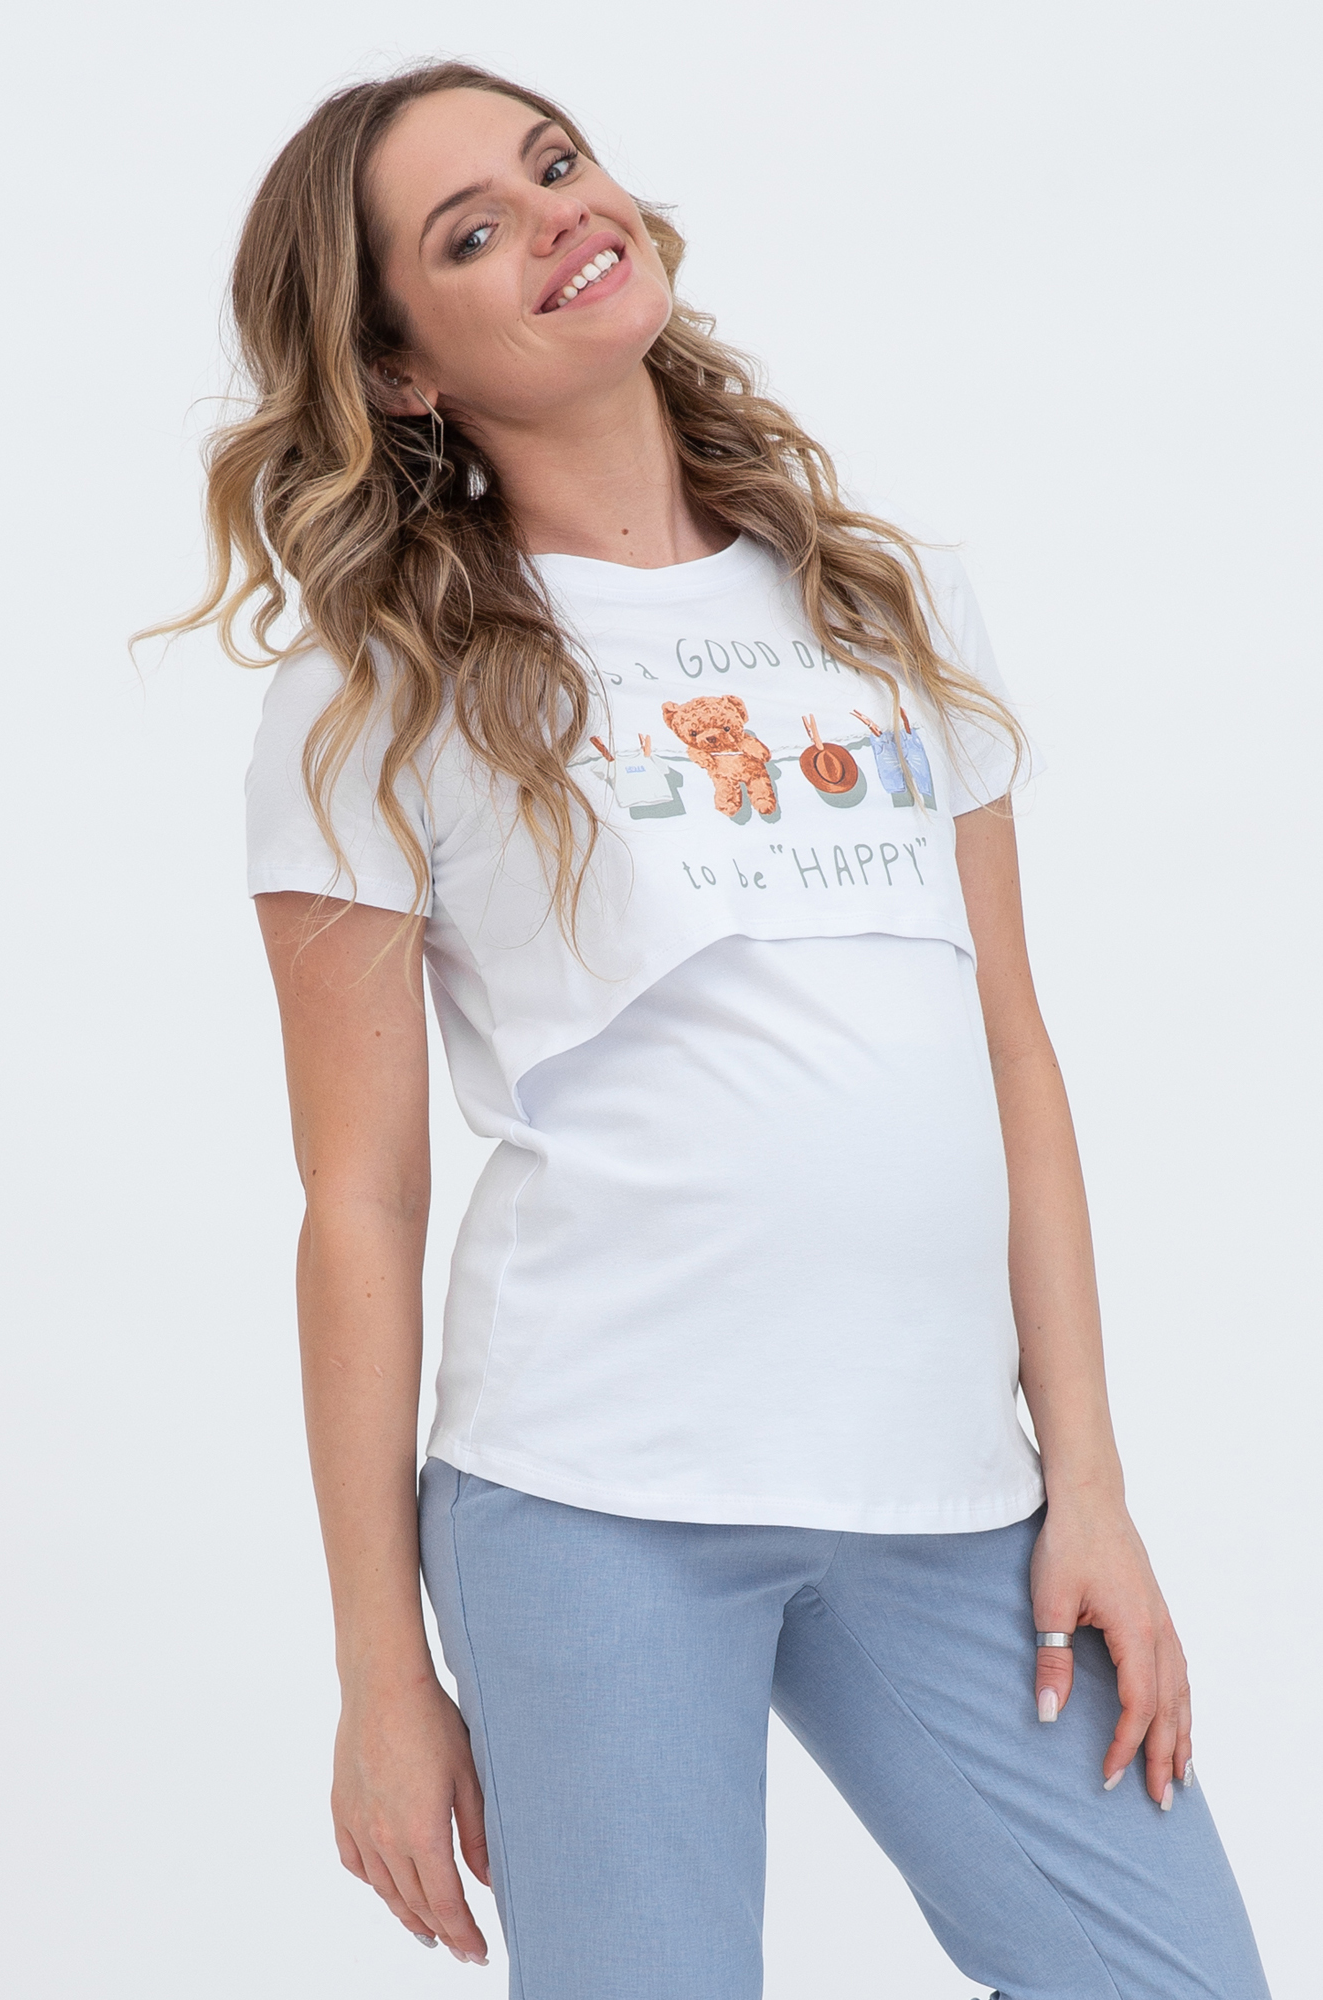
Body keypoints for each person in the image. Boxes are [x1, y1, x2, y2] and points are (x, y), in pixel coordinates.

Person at [174, 60, 1271, 1999]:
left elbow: (1010, 1050)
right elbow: (359, 1199)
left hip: (949, 1498)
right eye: (473, 233)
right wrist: (378, 1669)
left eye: (554, 162)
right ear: (401, 369)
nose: (557, 215)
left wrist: (1087, 1483)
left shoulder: (884, 604)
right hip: (595, 1501)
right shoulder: (372, 693)